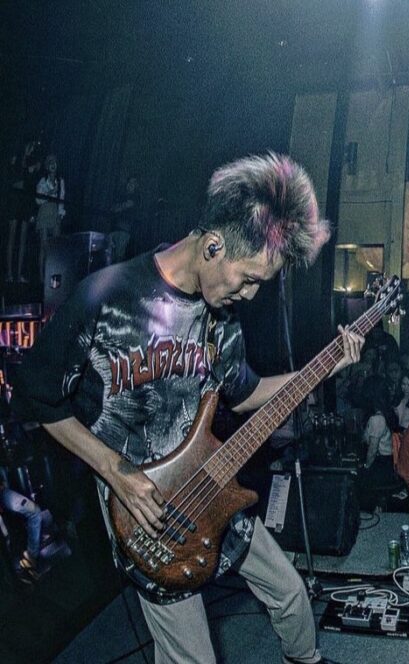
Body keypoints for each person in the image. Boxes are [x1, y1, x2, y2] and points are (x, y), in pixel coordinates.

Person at [11, 152, 362, 664]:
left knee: (291, 593)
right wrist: (116, 471)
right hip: (147, 515)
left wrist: (324, 367)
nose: (250, 294)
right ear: (213, 245)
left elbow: (245, 393)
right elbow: (37, 397)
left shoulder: (222, 320)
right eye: (248, 278)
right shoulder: (105, 297)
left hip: (210, 488)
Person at [5, 139, 42, 283]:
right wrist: (27, 168)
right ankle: (9, 273)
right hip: (15, 199)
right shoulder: (16, 158)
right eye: (29, 146)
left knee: (23, 238)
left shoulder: (33, 162)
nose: (31, 148)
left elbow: (32, 184)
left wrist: (34, 169)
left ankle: (19, 273)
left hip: (26, 202)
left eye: (32, 146)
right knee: (12, 236)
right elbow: (13, 178)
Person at [34, 154, 66, 284]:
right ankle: (41, 278)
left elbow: (62, 199)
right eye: (50, 162)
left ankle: (52, 277)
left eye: (55, 162)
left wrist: (60, 214)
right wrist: (49, 194)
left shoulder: (61, 181)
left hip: (54, 213)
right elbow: (38, 200)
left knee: (55, 248)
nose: (53, 165)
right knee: (44, 246)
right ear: (47, 166)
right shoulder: (42, 181)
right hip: (44, 212)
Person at [109, 175, 140, 263]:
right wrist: (119, 207)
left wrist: (120, 207)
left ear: (136, 185)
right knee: (110, 253)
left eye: (133, 183)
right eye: (129, 182)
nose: (130, 184)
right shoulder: (121, 195)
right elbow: (112, 208)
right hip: (114, 227)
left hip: (124, 229)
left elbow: (122, 207)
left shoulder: (136, 197)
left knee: (119, 255)